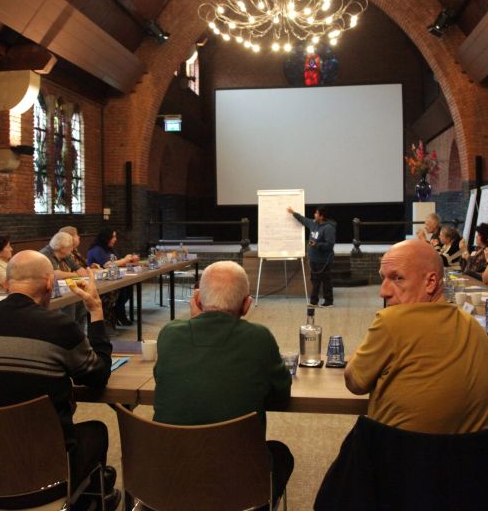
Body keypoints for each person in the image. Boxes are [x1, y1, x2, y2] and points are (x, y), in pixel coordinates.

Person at [0, 251, 120, 510]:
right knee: (96, 431)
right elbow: (98, 376)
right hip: (40, 477)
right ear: (50, 283)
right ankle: (88, 502)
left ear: (6, 284)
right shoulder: (59, 326)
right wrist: (96, 312)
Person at [153, 261, 293, 503]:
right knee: (281, 454)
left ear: (197, 300)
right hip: (237, 485)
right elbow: (281, 396)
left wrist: (198, 319)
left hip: (170, 479)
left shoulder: (169, 334)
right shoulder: (259, 338)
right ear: (247, 305)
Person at [344, 239, 488, 434]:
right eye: (383, 278)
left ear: (431, 282)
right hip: (473, 452)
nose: (383, 292)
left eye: (398, 278)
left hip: (399, 451)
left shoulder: (392, 321)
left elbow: (355, 383)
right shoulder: (473, 326)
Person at [287, 205, 336, 307]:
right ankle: (314, 301)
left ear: (321, 216)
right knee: (315, 280)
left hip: (324, 260)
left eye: (316, 213)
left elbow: (329, 245)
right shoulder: (313, 223)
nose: (314, 215)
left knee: (326, 281)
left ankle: (329, 302)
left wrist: (316, 245)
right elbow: (303, 219)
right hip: (314, 259)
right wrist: (293, 213)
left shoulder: (329, 228)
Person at [87, 228, 136, 326]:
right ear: (106, 237)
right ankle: (118, 314)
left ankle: (119, 313)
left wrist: (129, 260)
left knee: (128, 287)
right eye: (113, 237)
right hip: (99, 282)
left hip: (109, 278)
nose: (115, 239)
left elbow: (116, 262)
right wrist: (126, 259)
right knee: (122, 290)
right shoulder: (97, 249)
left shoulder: (108, 248)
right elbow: (108, 264)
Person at [40, 232, 89, 330]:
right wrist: (75, 274)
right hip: (46, 293)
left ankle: (79, 334)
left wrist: (76, 272)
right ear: (62, 248)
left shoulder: (65, 254)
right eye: (70, 247)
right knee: (70, 302)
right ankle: (68, 332)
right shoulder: (45, 254)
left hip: (62, 288)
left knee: (81, 300)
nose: (72, 249)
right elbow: (56, 275)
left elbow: (81, 270)